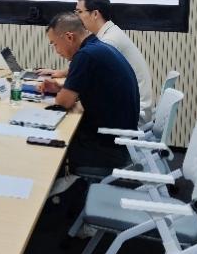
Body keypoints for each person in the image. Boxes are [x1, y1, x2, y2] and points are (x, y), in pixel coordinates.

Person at [37, 0, 154, 126]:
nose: (77, 17)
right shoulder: (98, 41)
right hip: (125, 113)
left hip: (123, 124)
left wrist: (64, 91)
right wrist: (62, 87)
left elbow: (63, 103)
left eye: (79, 12)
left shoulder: (101, 45)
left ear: (95, 14)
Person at [41, 12, 139, 175]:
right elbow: (91, 90)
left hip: (106, 148)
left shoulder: (85, 55)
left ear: (69, 37)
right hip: (121, 141)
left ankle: (58, 188)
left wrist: (62, 95)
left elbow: (63, 103)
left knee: (48, 142)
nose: (56, 51)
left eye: (55, 44)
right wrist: (59, 89)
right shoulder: (98, 47)